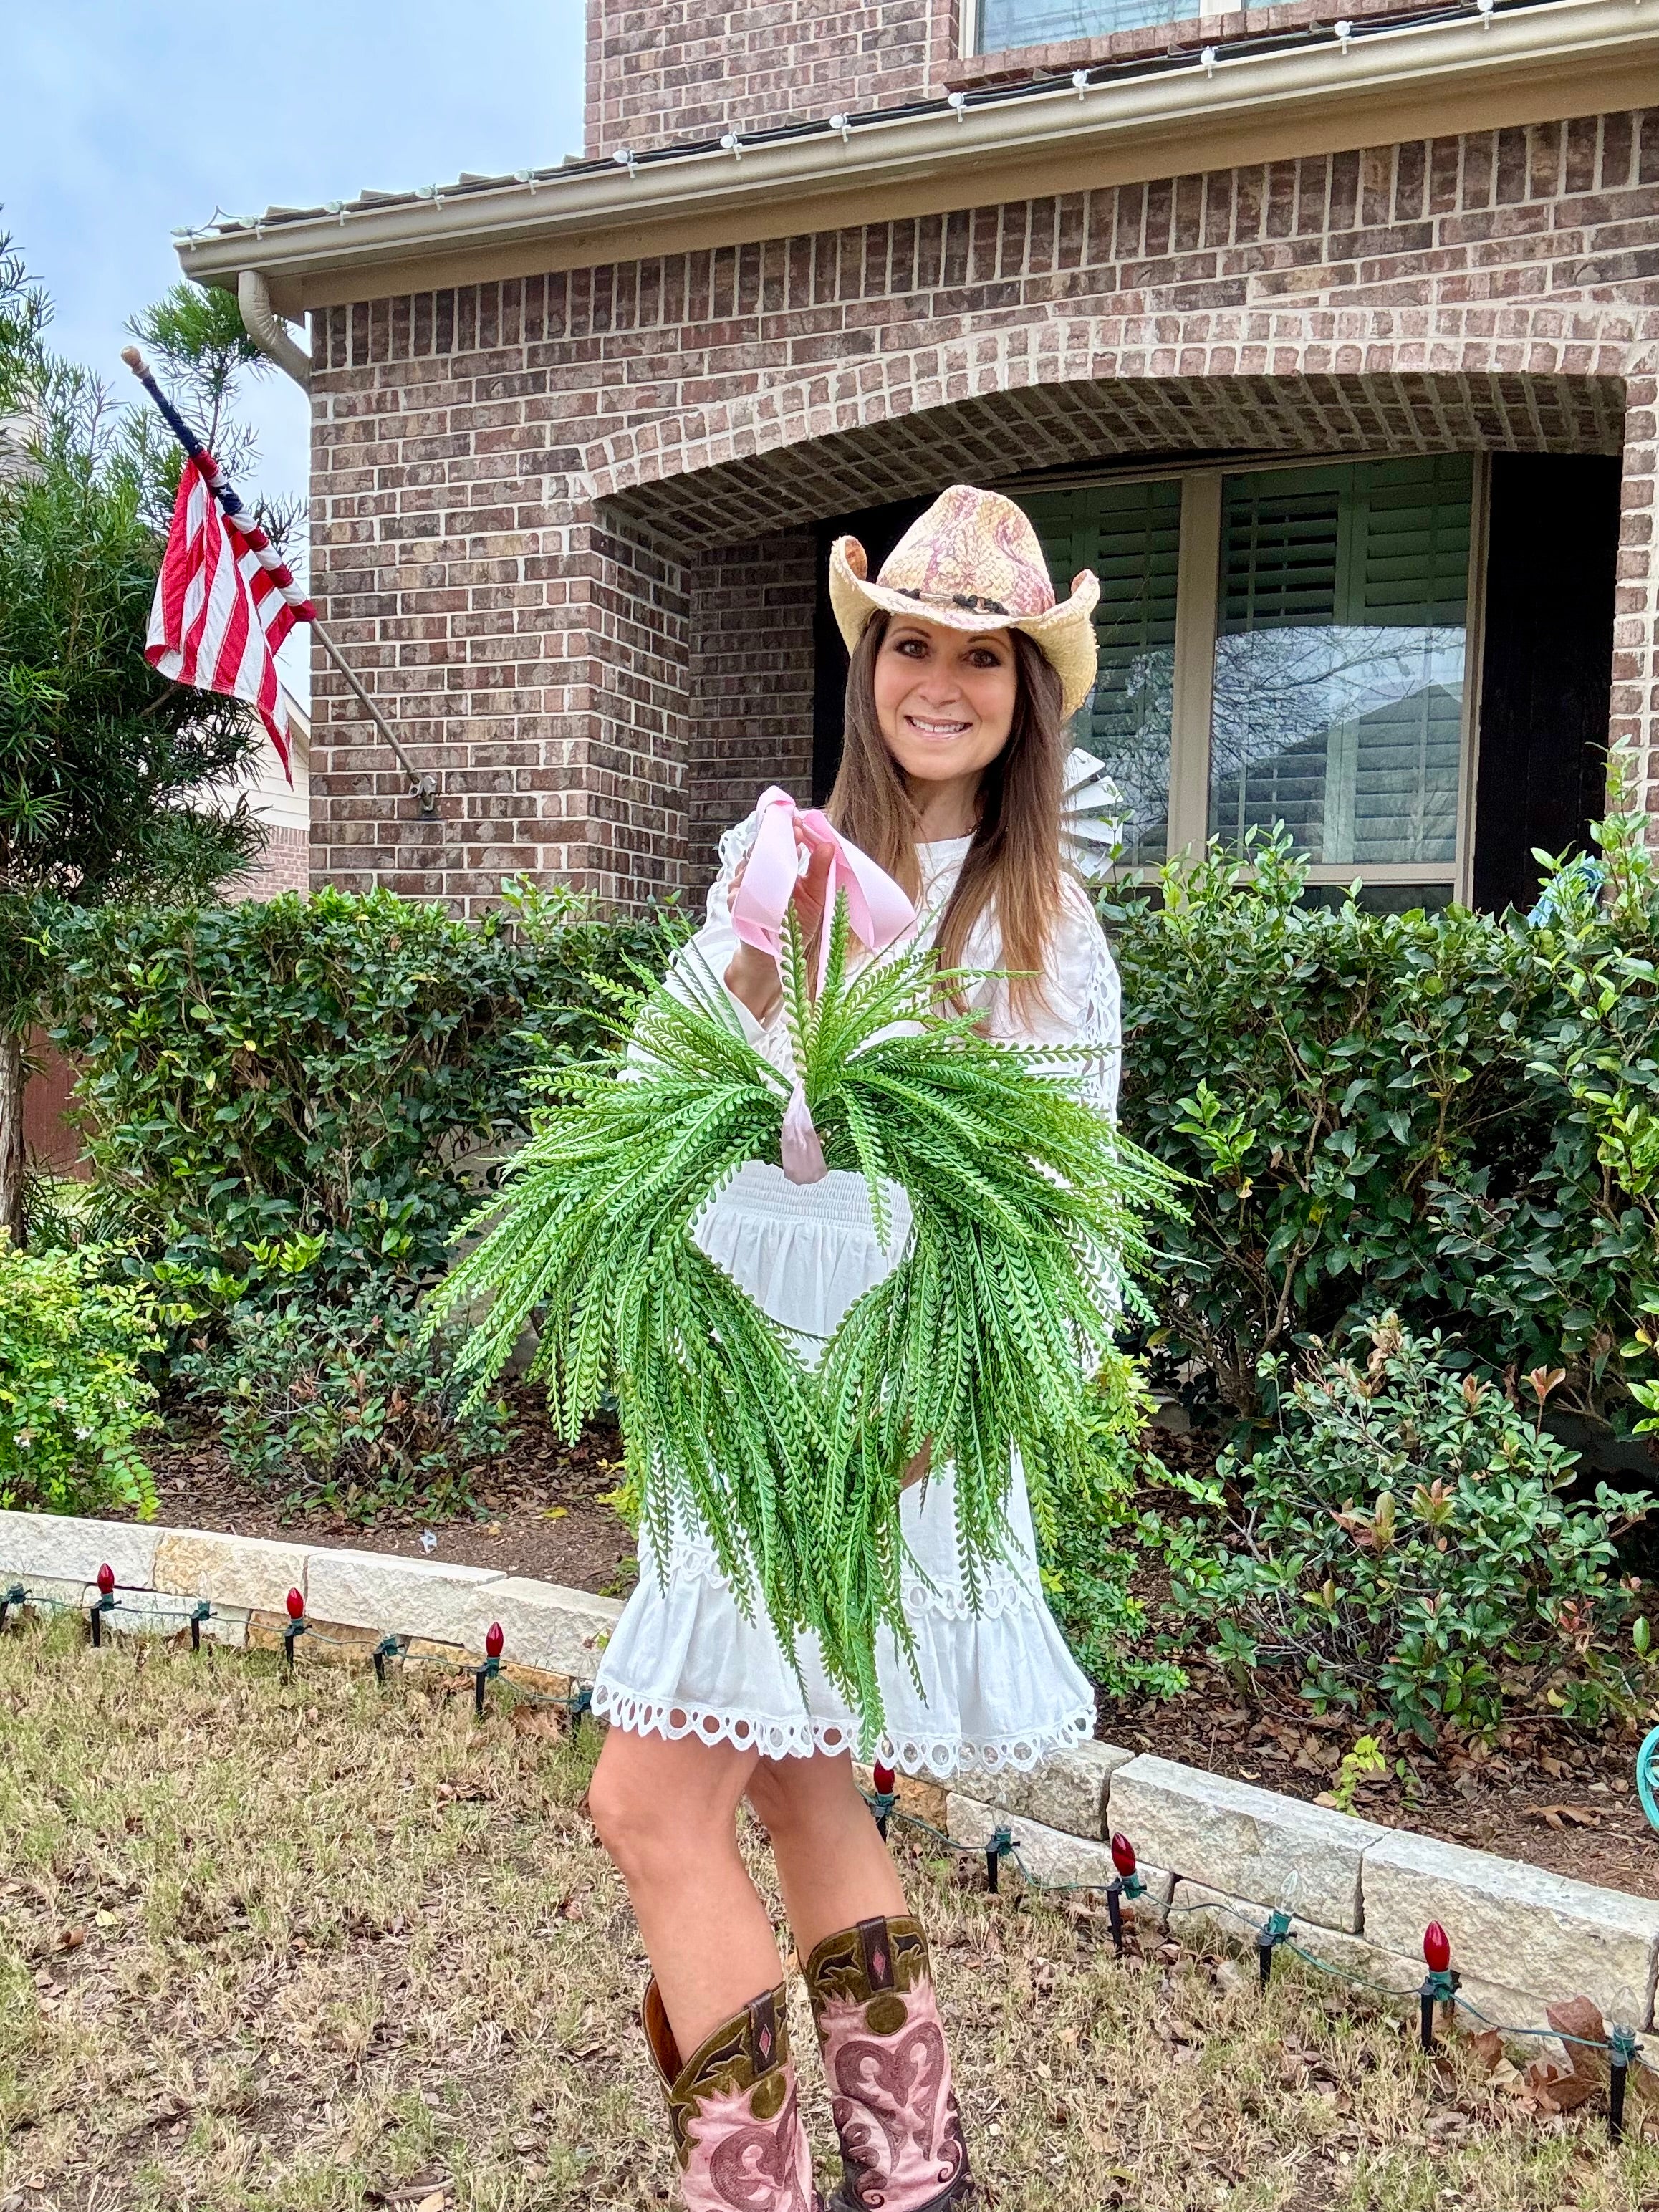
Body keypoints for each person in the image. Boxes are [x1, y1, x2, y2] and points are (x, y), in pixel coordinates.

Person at [586, 484, 1122, 2212]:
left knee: (653, 1807)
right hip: (739, 1395)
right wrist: (753, 943)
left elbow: (1065, 1242)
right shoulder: (795, 864)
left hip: (869, 1428)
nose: (944, 680)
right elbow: (648, 1102)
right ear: (869, 659)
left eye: (987, 654)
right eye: (915, 641)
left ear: (1029, 692)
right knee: (810, 1793)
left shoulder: (1040, 933)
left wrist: (911, 1426)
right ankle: (918, 2186)